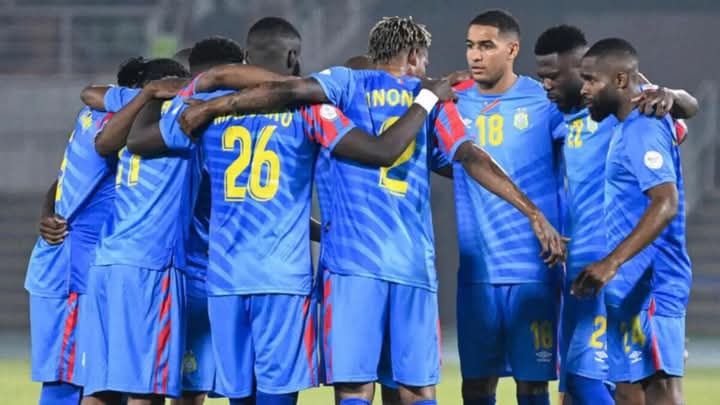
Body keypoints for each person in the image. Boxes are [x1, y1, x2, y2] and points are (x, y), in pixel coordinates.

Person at [178, 15, 566, 405]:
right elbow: (469, 156)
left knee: (354, 388)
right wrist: (532, 211)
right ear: (413, 56)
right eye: (424, 59)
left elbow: (287, 89)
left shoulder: (342, 86)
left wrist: (214, 105)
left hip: (349, 267)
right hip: (411, 266)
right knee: (416, 389)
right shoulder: (431, 99)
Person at [534, 25, 698, 405]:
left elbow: (666, 199)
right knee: (612, 390)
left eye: (587, 79)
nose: (547, 85)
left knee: (646, 388)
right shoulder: (570, 118)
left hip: (635, 273)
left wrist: (672, 95)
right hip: (601, 275)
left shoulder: (640, 115)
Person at [450, 10, 567, 405]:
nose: (475, 55)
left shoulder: (543, 101)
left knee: (532, 386)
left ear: (512, 49)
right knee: (476, 387)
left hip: (534, 270)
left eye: (486, 46)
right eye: (470, 46)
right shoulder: (454, 103)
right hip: (477, 274)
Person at [25, 56, 149, 405]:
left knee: (106, 382)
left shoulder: (96, 117)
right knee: (68, 384)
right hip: (72, 272)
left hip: (90, 270)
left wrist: (49, 209)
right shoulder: (109, 123)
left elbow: (61, 183)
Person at [77, 58, 192, 405]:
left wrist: (146, 93)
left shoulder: (129, 112)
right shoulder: (179, 119)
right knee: (147, 387)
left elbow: (92, 104)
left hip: (107, 263)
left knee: (101, 389)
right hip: (150, 265)